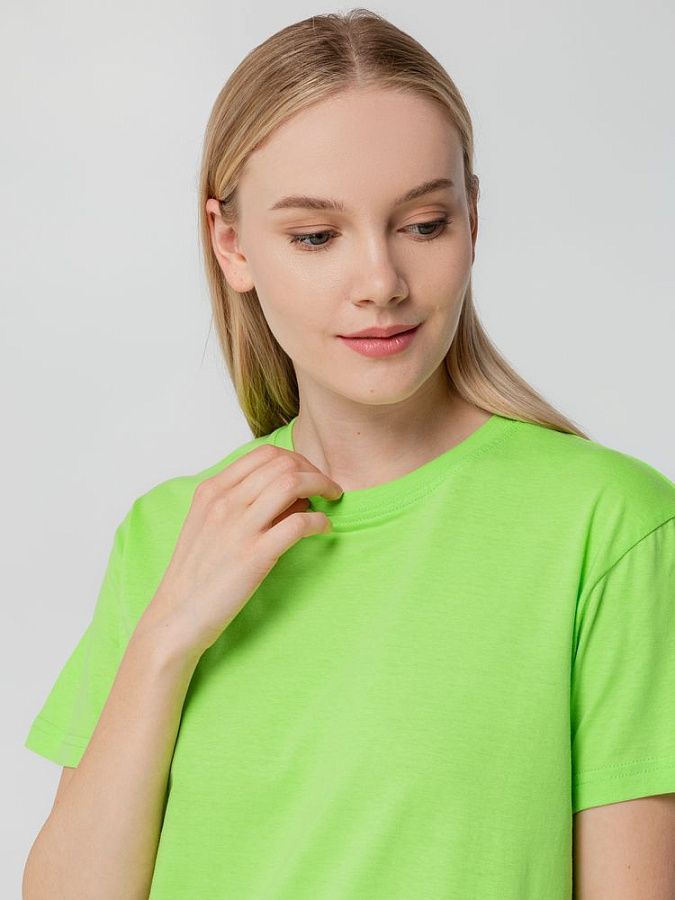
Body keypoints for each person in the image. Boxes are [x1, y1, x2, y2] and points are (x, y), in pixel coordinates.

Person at [22, 9, 675, 900]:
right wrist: (167, 638)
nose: (380, 282)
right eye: (316, 237)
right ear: (231, 244)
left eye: (423, 224)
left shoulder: (609, 528)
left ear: (472, 217)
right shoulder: (170, 532)